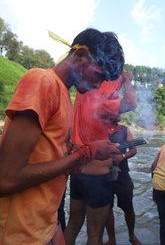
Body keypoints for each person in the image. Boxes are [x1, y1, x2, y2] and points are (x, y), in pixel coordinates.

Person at [0, 28, 124, 245]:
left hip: (44, 228)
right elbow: (6, 179)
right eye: (98, 76)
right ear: (80, 55)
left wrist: (75, 160)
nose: (97, 86)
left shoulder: (65, 97)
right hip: (19, 236)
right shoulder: (41, 81)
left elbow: (47, 161)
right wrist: (88, 152)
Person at [64, 70, 138, 245]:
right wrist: (127, 81)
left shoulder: (83, 96)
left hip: (77, 172)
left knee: (73, 225)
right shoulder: (102, 102)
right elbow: (131, 102)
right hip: (97, 177)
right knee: (95, 234)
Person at [104, 116, 141, 245]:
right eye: (115, 112)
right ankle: (112, 239)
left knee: (128, 207)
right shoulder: (100, 128)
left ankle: (132, 235)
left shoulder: (125, 130)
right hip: (103, 174)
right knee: (107, 208)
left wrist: (122, 156)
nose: (119, 115)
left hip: (123, 174)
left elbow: (133, 150)